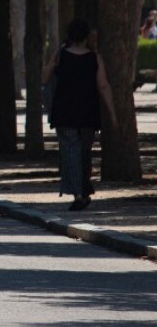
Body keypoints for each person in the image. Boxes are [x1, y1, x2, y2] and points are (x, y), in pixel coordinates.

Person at [44, 18, 118, 211]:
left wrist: (52, 63)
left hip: (65, 112)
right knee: (85, 153)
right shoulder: (95, 58)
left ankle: (78, 192)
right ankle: (83, 189)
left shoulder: (60, 55)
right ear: (87, 37)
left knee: (70, 152)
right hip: (88, 113)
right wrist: (112, 114)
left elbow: (45, 78)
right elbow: (103, 86)